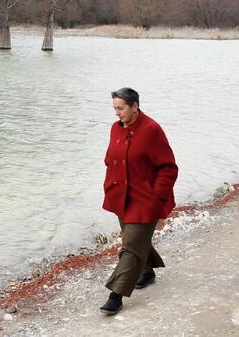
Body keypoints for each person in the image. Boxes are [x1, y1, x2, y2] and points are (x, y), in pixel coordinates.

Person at [99, 87, 178, 315]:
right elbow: (110, 159)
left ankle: (116, 295)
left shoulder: (151, 130)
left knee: (131, 248)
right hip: (120, 198)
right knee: (135, 240)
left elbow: (168, 168)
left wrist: (157, 197)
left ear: (135, 106)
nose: (117, 113)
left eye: (121, 108)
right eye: (115, 108)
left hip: (146, 200)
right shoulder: (115, 129)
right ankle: (147, 272)